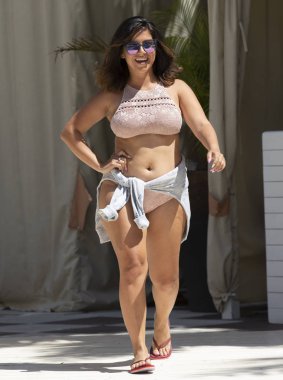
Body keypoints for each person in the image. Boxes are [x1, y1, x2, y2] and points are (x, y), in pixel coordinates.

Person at [60, 16, 226, 374]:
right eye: (133, 45)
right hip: (123, 190)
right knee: (134, 269)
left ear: (157, 49)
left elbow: (200, 124)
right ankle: (138, 349)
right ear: (121, 53)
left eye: (148, 44)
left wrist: (214, 148)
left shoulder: (176, 88)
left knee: (166, 279)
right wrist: (101, 166)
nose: (141, 52)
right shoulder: (111, 96)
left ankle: (162, 326)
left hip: (168, 189)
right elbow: (71, 131)